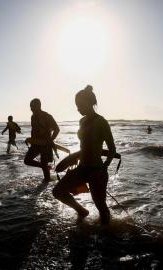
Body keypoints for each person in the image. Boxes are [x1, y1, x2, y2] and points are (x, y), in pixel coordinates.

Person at [52, 85, 116, 225]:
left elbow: (112, 149)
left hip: (96, 170)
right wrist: (72, 159)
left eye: (79, 105)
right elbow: (85, 146)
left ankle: (107, 235)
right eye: (76, 105)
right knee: (58, 191)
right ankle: (82, 211)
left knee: (101, 207)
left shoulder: (101, 122)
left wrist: (104, 167)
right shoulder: (82, 121)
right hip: (82, 168)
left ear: (89, 103)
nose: (78, 108)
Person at [24, 98, 60, 182]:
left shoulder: (47, 116)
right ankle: (45, 167)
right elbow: (34, 130)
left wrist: (50, 140)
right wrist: (30, 140)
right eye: (30, 107)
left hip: (46, 145)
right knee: (27, 160)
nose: (31, 109)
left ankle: (46, 187)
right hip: (36, 144)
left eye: (32, 107)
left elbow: (57, 129)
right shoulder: (33, 117)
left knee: (46, 175)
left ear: (38, 106)